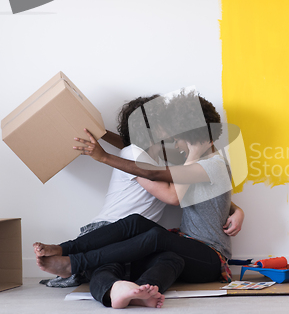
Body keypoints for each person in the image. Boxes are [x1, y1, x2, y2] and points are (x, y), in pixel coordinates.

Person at [35, 92, 238, 308]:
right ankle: (140, 290)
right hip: (187, 247)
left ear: (192, 136)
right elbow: (145, 162)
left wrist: (104, 157)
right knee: (153, 242)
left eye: (178, 137)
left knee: (154, 236)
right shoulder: (194, 162)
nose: (175, 144)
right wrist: (102, 135)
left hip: (210, 255)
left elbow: (165, 186)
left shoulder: (208, 164)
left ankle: (74, 262)